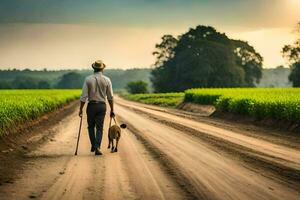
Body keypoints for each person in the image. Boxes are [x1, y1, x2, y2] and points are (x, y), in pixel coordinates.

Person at [79, 60, 115, 155]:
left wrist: (81, 109)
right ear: (102, 69)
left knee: (91, 127)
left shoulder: (88, 79)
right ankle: (97, 146)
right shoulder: (107, 80)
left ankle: (94, 145)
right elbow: (110, 97)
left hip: (91, 106)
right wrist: (112, 109)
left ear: (93, 68)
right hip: (102, 106)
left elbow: (83, 96)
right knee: (100, 127)